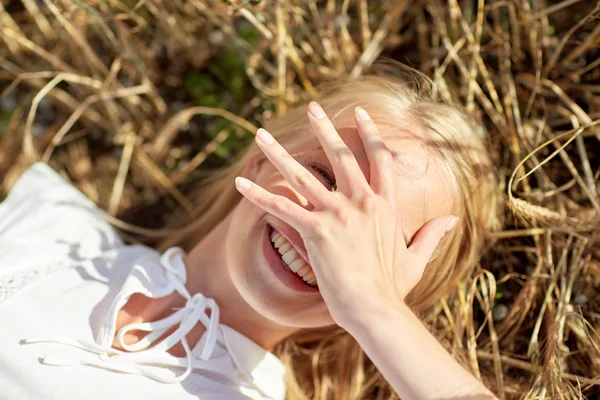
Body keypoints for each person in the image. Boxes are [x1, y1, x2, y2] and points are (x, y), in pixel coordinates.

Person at [0, 64, 500, 399]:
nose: (326, 230)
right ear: (262, 160)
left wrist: (373, 309)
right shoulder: (54, 227)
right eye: (323, 177)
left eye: (379, 238)